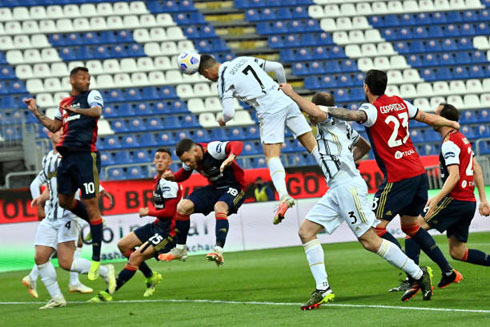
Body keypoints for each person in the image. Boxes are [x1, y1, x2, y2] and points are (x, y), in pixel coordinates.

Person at [305, 69, 464, 290]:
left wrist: (321, 109)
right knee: (411, 226)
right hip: (418, 171)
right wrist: (452, 124)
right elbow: (427, 117)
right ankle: (447, 272)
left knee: (375, 230)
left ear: (366, 87)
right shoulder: (400, 102)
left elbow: (353, 116)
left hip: (399, 177)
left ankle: (413, 275)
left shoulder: (371, 109)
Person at [280, 86, 432, 309]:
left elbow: (317, 111)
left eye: (311, 113)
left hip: (348, 187)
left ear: (319, 109)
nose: (309, 117)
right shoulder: (342, 126)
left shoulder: (327, 119)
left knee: (370, 241)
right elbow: (365, 145)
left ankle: (418, 274)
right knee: (306, 231)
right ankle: (323, 288)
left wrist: (291, 93)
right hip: (336, 189)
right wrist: (349, 160)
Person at [197, 54, 322, 225]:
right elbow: (278, 67)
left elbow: (229, 113)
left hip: (269, 110)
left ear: (206, 72)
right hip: (286, 100)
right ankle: (336, 175)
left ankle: (284, 195)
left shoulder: (223, 79)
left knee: (272, 156)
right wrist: (284, 88)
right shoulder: (243, 60)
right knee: (313, 146)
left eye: (205, 76)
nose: (208, 78)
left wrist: (222, 120)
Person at [24, 67, 106, 280]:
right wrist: (35, 111)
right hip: (66, 158)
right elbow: (54, 125)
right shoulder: (63, 103)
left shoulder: (92, 96)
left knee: (90, 204)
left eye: (88, 77)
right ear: (72, 80)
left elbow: (97, 112)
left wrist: (76, 111)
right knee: (64, 201)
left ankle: (96, 259)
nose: (87, 81)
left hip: (85, 156)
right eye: (82, 77)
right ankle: (95, 221)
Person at [21, 129, 116, 309]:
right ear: (50, 135)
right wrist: (41, 199)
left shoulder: (71, 156)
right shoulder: (47, 158)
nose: (60, 135)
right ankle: (57, 298)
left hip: (67, 215)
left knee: (66, 262)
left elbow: (82, 177)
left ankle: (105, 271)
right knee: (40, 257)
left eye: (62, 132)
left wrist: (100, 189)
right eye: (57, 132)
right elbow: (49, 183)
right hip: (50, 216)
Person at [404, 104, 490, 273]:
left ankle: (413, 279)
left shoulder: (449, 143)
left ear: (444, 119)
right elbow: (477, 168)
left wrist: (436, 198)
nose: (432, 118)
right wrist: (483, 200)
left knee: (412, 228)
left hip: (455, 199)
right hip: (468, 203)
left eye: (436, 114)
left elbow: (455, 176)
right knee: (458, 252)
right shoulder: (462, 139)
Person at [89, 148, 182, 302]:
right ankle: (151, 277)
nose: (160, 160)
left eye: (164, 158)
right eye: (157, 157)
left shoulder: (169, 183)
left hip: (169, 232)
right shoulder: (157, 179)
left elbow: (170, 213)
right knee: (123, 245)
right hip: (158, 225)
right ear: (153, 161)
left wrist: (148, 212)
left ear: (170, 162)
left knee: (135, 257)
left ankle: (107, 293)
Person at [158, 138, 245, 266]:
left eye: (188, 160)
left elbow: (237, 144)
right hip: (215, 189)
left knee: (219, 207)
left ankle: (218, 251)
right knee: (182, 207)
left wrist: (231, 156)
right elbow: (184, 174)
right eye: (184, 161)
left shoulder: (212, 149)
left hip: (235, 187)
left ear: (196, 150)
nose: (187, 164)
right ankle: (180, 249)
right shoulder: (190, 160)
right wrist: (174, 178)